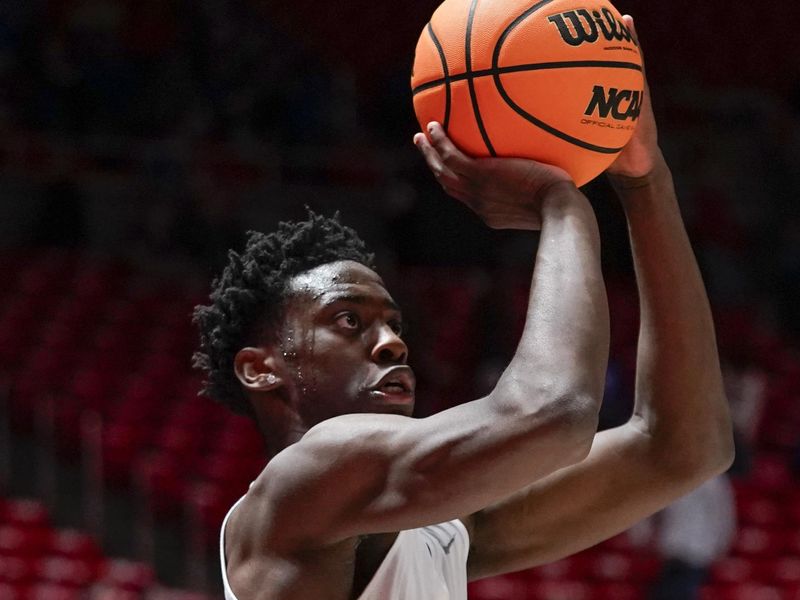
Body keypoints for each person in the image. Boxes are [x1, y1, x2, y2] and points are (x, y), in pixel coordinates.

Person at [192, 16, 733, 600]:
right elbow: (555, 412)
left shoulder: (443, 529)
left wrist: (646, 181)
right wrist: (560, 203)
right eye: (348, 320)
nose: (392, 343)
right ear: (261, 367)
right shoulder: (300, 483)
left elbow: (682, 450)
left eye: (394, 325)